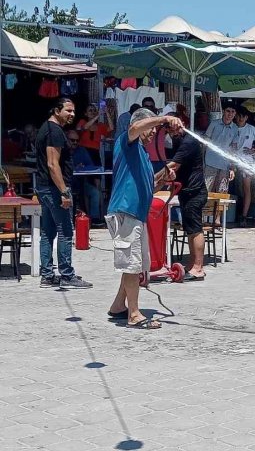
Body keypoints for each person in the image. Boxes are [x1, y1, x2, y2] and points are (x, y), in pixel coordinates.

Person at [105, 108, 182, 329]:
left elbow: (151, 185)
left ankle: (119, 305)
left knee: (135, 264)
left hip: (137, 213)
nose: (153, 133)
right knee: (132, 265)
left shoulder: (144, 156)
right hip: (125, 210)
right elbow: (134, 128)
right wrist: (164, 118)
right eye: (151, 128)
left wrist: (164, 177)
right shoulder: (126, 142)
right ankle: (134, 314)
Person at [35, 98, 92, 288]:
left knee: (48, 231)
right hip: (54, 189)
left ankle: (47, 275)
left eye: (74, 111)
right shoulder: (54, 132)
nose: (72, 115)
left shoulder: (48, 129)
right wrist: (64, 192)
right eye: (68, 111)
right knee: (65, 231)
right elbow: (53, 164)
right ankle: (66, 274)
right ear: (57, 110)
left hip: (46, 187)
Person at [161, 121, 208, 280]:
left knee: (195, 229)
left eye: (170, 127)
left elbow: (174, 164)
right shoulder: (178, 140)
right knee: (189, 229)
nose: (169, 131)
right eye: (167, 129)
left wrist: (153, 178)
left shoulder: (189, 141)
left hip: (195, 191)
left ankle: (198, 267)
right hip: (186, 191)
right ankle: (191, 264)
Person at [68, 130, 103, 225]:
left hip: (82, 182)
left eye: (77, 140)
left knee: (95, 192)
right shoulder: (62, 151)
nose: (75, 142)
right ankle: (69, 221)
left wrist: (83, 167)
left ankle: (94, 219)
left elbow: (91, 166)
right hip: (66, 183)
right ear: (66, 140)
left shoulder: (82, 150)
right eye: (72, 140)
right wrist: (74, 167)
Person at [204, 103, 238, 192]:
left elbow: (233, 148)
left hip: (225, 165)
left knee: (222, 192)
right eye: (228, 111)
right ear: (223, 112)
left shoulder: (235, 128)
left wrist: (232, 167)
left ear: (235, 114)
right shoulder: (214, 123)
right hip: (210, 162)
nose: (230, 114)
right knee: (207, 190)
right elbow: (205, 141)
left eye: (232, 112)